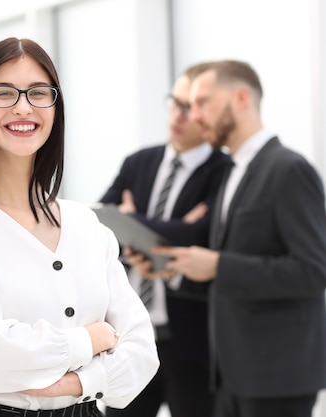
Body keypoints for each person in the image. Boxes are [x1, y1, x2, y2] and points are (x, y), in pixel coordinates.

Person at [0, 37, 159, 417]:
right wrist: (90, 339)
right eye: (4, 93)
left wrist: (80, 382)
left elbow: (142, 351)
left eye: (38, 93)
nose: (23, 107)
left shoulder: (85, 224)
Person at [153, 60, 326, 417]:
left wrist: (219, 264)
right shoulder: (233, 171)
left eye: (203, 102)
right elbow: (230, 274)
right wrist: (178, 270)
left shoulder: (288, 169)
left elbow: (313, 271)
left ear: (242, 97)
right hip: (231, 376)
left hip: (277, 379)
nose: (194, 114)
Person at [99, 63, 231, 417]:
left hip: (191, 340)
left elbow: (202, 238)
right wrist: (160, 232)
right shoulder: (139, 162)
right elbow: (99, 227)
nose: (180, 115)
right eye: (175, 103)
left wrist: (132, 222)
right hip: (129, 335)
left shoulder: (224, 172)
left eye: (192, 107)